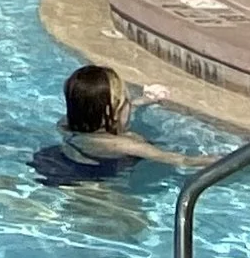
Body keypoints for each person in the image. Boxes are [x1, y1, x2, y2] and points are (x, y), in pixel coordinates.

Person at [32, 62, 181, 185]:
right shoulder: (124, 145)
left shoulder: (67, 124)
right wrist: (203, 164)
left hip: (59, 159)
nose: (130, 106)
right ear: (115, 113)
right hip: (88, 182)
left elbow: (109, 111)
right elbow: (179, 160)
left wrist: (144, 100)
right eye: (126, 102)